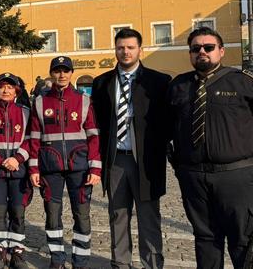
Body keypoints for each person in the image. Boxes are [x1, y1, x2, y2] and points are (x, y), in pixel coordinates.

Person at [166, 27, 253, 268]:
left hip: (236, 176)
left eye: (208, 47)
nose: (202, 52)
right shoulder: (179, 86)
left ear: (221, 51)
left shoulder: (242, 82)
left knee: (242, 241)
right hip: (194, 178)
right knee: (205, 239)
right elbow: (165, 127)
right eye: (195, 49)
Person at [92, 28, 170, 269]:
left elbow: (166, 123)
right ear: (115, 49)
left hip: (145, 161)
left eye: (130, 47)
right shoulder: (102, 82)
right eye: (120, 47)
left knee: (149, 218)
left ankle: (152, 264)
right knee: (118, 215)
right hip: (115, 159)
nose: (125, 52)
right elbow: (98, 123)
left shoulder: (158, 81)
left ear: (140, 50)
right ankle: (120, 263)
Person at [28, 56, 101, 269]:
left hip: (79, 167)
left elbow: (94, 135)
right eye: (57, 70)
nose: (62, 74)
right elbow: (34, 137)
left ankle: (80, 261)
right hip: (50, 168)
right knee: (52, 215)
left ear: (71, 73)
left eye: (66, 70)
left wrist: (95, 167)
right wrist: (33, 168)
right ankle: (57, 259)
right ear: (52, 73)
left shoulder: (83, 100)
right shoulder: (40, 102)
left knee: (82, 215)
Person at [0, 73, 32, 269]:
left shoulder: (26, 112)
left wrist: (17, 159)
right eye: (2, 86)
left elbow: (31, 139)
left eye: (10, 87)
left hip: (19, 172)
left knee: (18, 211)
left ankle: (17, 250)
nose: (6, 90)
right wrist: (1, 160)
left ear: (16, 91)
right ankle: (0, 249)